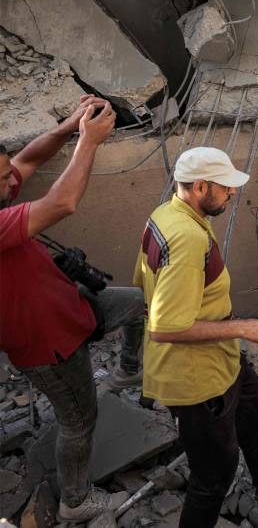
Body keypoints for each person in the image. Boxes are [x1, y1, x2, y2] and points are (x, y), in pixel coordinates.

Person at [135, 148, 258, 527]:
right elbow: (165, 327)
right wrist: (242, 327)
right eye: (225, 187)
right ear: (200, 187)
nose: (232, 194)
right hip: (197, 378)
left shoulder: (167, 214)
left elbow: (144, 285)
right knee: (214, 475)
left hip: (220, 358)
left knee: (256, 403)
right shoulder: (186, 239)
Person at [0, 97, 145, 522]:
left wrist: (66, 128)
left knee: (141, 304)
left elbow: (27, 159)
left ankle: (129, 367)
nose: (13, 179)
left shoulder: (2, 191)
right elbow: (61, 203)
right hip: (47, 345)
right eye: (1, 176)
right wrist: (88, 142)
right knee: (79, 421)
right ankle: (77, 500)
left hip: (71, 307)